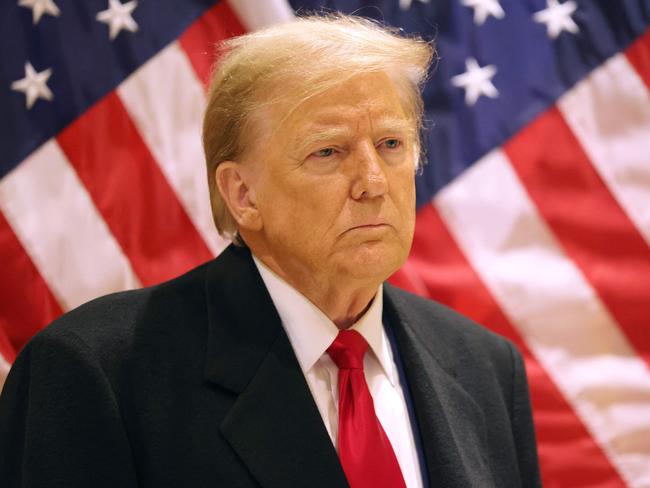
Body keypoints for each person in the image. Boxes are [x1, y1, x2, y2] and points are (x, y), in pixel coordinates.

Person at [0, 14, 540, 488]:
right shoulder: (97, 374)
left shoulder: (485, 368)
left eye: (391, 144)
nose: (374, 182)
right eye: (328, 151)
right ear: (243, 194)